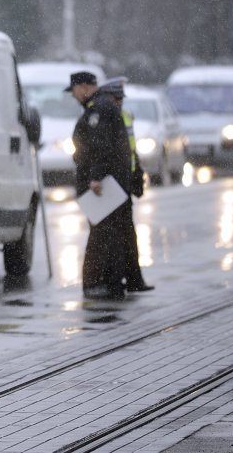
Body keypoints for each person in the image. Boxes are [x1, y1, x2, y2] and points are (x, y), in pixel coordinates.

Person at [66, 71, 133, 300]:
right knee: (110, 234)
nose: (74, 96)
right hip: (113, 181)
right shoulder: (102, 107)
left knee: (102, 235)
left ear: (84, 87)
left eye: (74, 90)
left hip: (103, 185)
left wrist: (95, 177)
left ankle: (99, 283)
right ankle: (111, 282)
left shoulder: (98, 109)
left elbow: (99, 146)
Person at [100, 77, 154, 292]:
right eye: (116, 98)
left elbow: (131, 151)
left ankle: (133, 279)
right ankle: (119, 280)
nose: (119, 102)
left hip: (125, 182)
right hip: (115, 184)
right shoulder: (108, 116)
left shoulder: (124, 116)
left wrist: (137, 175)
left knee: (128, 235)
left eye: (121, 98)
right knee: (118, 236)